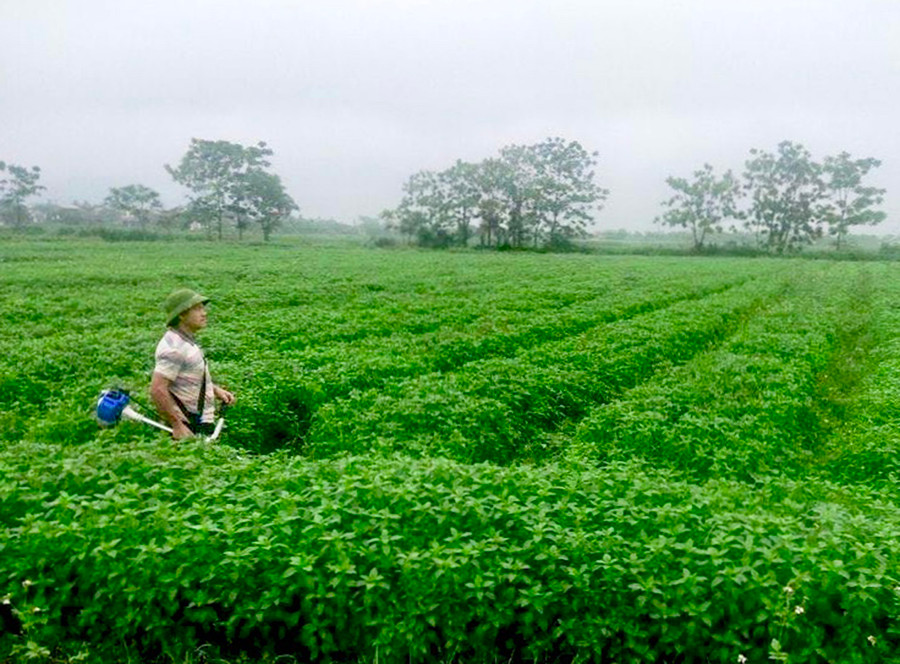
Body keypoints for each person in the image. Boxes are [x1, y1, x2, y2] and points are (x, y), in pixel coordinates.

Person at [150, 288, 235, 440]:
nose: (204, 313)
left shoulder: (186, 340)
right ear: (181, 314)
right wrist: (177, 425)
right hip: (187, 425)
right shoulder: (174, 347)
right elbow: (157, 389)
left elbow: (187, 374)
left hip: (198, 421)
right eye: (197, 309)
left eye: (203, 308)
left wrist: (214, 390)